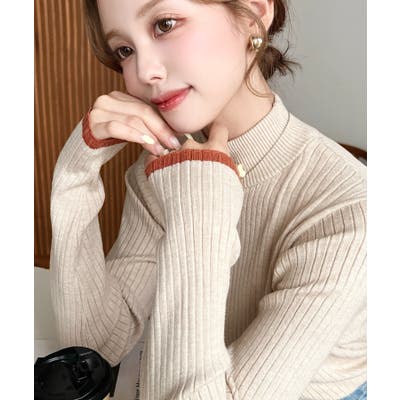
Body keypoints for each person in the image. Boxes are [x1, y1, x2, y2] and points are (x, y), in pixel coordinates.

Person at [49, 0, 367, 399]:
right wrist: (76, 174)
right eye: (125, 50)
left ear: (253, 12)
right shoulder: (169, 167)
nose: (144, 73)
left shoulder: (350, 211)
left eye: (165, 24)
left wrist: (199, 206)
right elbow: (96, 344)